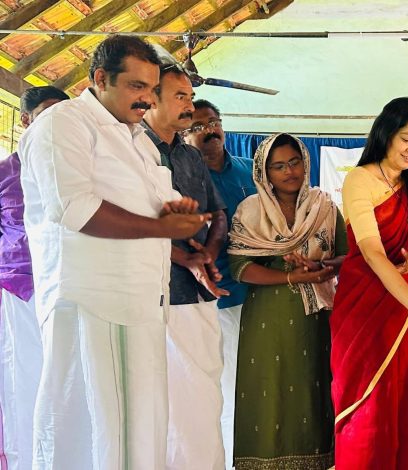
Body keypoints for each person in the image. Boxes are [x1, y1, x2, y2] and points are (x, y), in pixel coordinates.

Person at [18, 35, 208, 469]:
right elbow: (74, 207)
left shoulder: (136, 137)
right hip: (95, 303)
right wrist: (160, 227)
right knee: (99, 431)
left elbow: (153, 204)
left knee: (140, 429)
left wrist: (176, 221)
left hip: (140, 303)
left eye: (152, 89)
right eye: (136, 86)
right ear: (101, 78)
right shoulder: (64, 124)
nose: (147, 99)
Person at [330, 97, 408, 469]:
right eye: (406, 138)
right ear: (386, 133)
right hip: (366, 314)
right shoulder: (360, 179)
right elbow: (372, 252)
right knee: (369, 411)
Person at [227, 133, 344, 469]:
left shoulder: (324, 207)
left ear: (305, 163)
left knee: (312, 388)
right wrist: (291, 277)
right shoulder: (251, 210)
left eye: (294, 162)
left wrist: (321, 266)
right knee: (268, 389)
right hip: (268, 318)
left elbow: (345, 257)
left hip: (316, 317)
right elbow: (239, 267)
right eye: (278, 166)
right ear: (264, 173)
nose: (289, 171)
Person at [143, 62, 228, 469]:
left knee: (204, 401)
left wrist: (206, 254)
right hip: (151, 296)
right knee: (163, 407)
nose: (190, 107)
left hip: (198, 293)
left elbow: (218, 213)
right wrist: (183, 258)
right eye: (180, 96)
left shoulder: (191, 156)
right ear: (151, 98)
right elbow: (130, 223)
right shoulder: (131, 151)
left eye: (191, 97)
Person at [183, 98, 256, 469]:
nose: (209, 131)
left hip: (262, 292)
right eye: (197, 126)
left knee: (258, 384)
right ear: (184, 134)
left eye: (213, 122)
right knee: (227, 388)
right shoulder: (185, 178)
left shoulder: (250, 170)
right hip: (218, 297)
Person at [0, 86, 68, 470]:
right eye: (47, 114)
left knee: (66, 381)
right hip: (20, 287)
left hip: (66, 284)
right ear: (26, 120)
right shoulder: (4, 173)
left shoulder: (75, 168)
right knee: (25, 380)